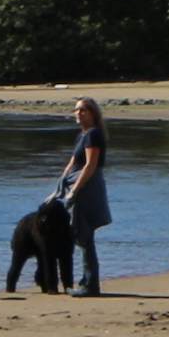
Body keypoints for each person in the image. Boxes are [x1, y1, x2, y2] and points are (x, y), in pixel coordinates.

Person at [55, 96, 110, 294]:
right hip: (77, 187)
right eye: (76, 110)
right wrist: (59, 188)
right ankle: (87, 281)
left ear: (92, 113)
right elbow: (72, 163)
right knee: (80, 235)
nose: (78, 113)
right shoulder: (83, 135)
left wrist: (75, 191)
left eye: (83, 110)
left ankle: (90, 285)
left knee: (85, 235)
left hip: (88, 189)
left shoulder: (94, 134)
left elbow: (90, 165)